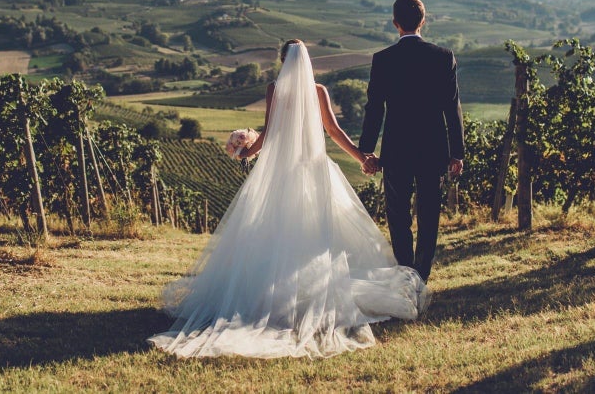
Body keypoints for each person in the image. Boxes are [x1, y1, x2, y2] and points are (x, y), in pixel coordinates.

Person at [148, 39, 429, 359]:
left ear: (283, 61)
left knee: (275, 235)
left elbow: (268, 134)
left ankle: (275, 298)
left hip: (281, 171)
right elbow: (334, 132)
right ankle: (310, 295)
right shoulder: (319, 91)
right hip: (314, 171)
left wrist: (245, 153)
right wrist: (363, 156)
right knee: (317, 239)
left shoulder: (274, 89)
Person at [359, 0, 465, 282]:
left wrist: (366, 150)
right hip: (433, 148)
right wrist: (458, 152)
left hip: (396, 148)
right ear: (423, 21)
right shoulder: (443, 57)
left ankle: (405, 273)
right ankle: (422, 276)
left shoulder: (383, 60)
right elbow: (452, 108)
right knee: (429, 214)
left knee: (398, 215)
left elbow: (374, 108)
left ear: (395, 24)